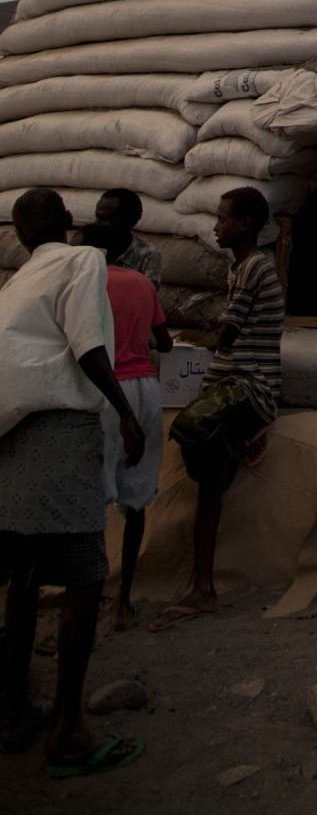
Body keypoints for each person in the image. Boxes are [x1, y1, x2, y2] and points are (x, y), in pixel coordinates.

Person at [0, 187, 146, 776]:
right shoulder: (83, 261)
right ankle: (66, 727)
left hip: (11, 439)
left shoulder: (14, 286)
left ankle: (13, 716)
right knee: (86, 573)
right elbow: (88, 344)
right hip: (59, 432)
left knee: (24, 577)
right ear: (68, 222)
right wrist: (126, 413)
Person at [148, 188, 283, 632]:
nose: (214, 226)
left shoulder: (255, 268)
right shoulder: (241, 266)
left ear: (244, 223)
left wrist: (193, 339)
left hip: (249, 386)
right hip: (229, 381)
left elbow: (228, 335)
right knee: (209, 479)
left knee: (188, 425)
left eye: (223, 218)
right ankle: (202, 587)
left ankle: (250, 430)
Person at [82, 222, 172, 631]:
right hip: (146, 391)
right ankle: (123, 601)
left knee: (92, 499)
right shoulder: (141, 282)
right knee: (135, 499)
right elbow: (165, 342)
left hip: (103, 390)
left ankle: (87, 598)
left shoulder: (86, 282)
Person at [78, 188, 161, 288]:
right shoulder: (88, 245)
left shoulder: (147, 254)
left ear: (128, 221)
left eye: (104, 218)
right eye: (97, 217)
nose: (97, 223)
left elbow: (146, 296)